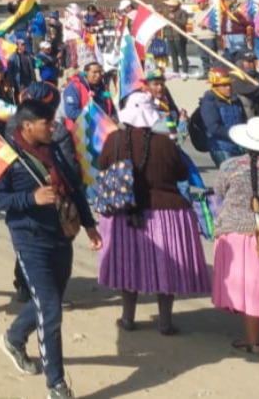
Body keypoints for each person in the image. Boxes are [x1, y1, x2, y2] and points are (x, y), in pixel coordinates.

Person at [0, 97, 102, 399]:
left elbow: (73, 188)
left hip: (61, 236)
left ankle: (13, 338)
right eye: (47, 124)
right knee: (50, 310)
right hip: (30, 240)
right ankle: (57, 385)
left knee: (48, 299)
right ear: (27, 126)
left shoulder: (53, 151)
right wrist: (31, 199)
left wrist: (89, 225)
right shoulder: (7, 156)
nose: (53, 127)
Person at [96, 92, 210, 335]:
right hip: (166, 213)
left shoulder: (114, 140)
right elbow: (181, 173)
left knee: (129, 266)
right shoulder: (166, 143)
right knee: (165, 268)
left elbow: (103, 165)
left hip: (126, 212)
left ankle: (128, 318)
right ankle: (165, 322)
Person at [211, 117, 259, 356]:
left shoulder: (230, 166)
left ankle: (254, 341)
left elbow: (220, 192)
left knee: (251, 290)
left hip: (239, 235)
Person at [200, 68, 248, 167]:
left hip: (238, 145)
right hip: (221, 147)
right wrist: (234, 133)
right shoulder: (209, 103)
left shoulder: (236, 100)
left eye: (229, 84)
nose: (228, 88)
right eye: (224, 85)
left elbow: (243, 119)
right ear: (215, 86)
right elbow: (213, 128)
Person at [162, 0, 191, 78]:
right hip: (169, 36)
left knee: (182, 54)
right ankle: (175, 71)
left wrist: (174, 18)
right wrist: (166, 26)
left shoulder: (182, 12)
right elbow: (164, 22)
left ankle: (185, 71)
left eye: (172, 5)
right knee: (173, 55)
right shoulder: (166, 12)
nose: (170, 7)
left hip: (179, 37)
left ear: (177, 5)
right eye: (169, 5)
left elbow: (184, 23)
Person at [192, 0, 219, 74]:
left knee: (213, 55)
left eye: (200, 3)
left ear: (205, 2)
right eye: (198, 3)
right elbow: (194, 24)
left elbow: (216, 24)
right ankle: (206, 72)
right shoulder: (197, 13)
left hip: (209, 36)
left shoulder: (212, 12)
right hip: (200, 37)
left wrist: (206, 25)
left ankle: (215, 72)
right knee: (203, 56)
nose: (198, 4)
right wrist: (195, 35)